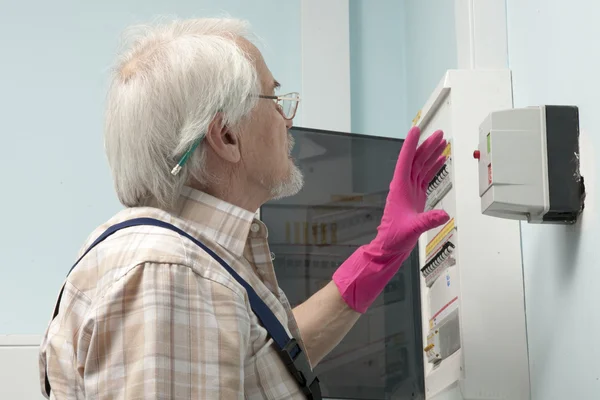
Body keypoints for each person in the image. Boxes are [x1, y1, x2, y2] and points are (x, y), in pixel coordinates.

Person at [39, 17, 449, 399]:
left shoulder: (187, 264)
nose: (287, 120)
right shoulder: (172, 274)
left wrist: (379, 257)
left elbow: (266, 360)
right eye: (274, 99)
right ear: (226, 135)